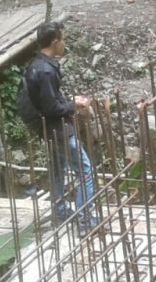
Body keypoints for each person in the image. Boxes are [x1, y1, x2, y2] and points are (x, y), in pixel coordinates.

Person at [16, 21, 99, 236]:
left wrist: (70, 101)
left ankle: (60, 212)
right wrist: (74, 105)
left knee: (57, 170)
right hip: (59, 130)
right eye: (62, 40)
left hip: (47, 130)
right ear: (55, 42)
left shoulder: (36, 65)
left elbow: (47, 101)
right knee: (85, 171)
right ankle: (85, 220)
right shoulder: (46, 71)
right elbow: (52, 108)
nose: (63, 44)